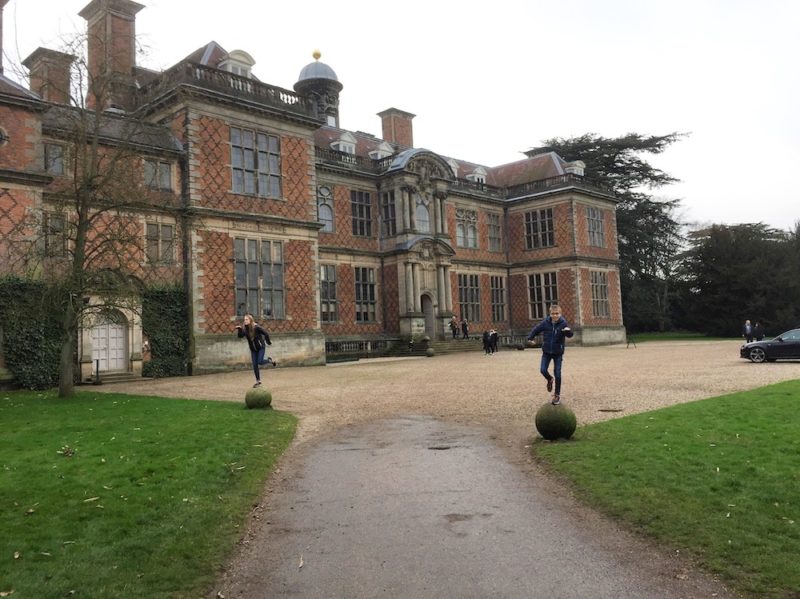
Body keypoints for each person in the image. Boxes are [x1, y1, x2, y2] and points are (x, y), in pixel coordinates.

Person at [527, 304, 574, 405]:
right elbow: (536, 329)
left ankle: (557, 395)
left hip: (558, 352)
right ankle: (550, 379)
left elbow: (570, 335)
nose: (555, 315)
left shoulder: (563, 323)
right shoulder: (545, 322)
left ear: (560, 314)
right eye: (553, 314)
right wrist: (530, 338)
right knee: (543, 370)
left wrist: (568, 332)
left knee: (558, 374)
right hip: (547, 351)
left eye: (557, 313)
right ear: (550, 314)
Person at [235, 313, 272, 387]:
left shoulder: (256, 327)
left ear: (250, 320)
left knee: (260, 362)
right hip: (253, 350)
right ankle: (258, 381)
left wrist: (268, 342)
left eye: (246, 319)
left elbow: (265, 333)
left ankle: (269, 360)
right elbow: (240, 336)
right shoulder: (245, 329)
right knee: (255, 365)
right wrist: (239, 329)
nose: (245, 321)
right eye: (244, 319)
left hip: (260, 347)